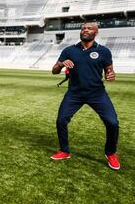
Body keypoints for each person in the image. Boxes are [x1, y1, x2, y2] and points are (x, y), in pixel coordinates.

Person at [50, 22, 120, 170]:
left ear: (96, 32)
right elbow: (54, 71)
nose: (85, 30)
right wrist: (62, 64)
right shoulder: (69, 50)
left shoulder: (104, 51)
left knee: (112, 123)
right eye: (83, 28)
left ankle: (111, 153)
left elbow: (109, 71)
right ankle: (64, 150)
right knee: (61, 120)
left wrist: (111, 75)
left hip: (97, 93)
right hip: (74, 93)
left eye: (89, 28)